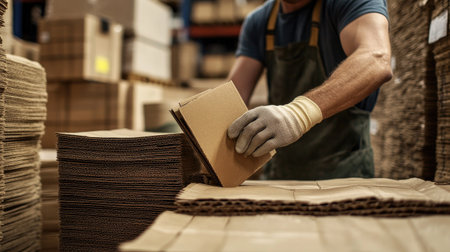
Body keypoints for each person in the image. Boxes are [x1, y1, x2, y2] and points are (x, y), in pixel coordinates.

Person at [227, 0, 392, 180]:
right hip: (279, 178)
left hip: (344, 177)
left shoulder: (347, 3)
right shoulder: (260, 21)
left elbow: (376, 59)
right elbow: (229, 101)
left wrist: (298, 115)